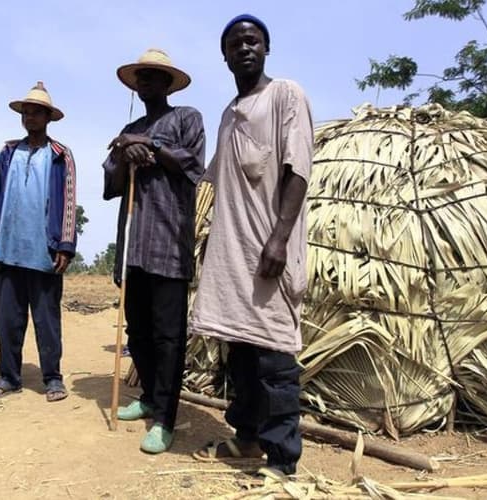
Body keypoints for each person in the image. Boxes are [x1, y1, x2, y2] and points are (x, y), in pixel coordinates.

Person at [189, 15, 314, 477]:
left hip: (268, 251)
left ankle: (283, 458)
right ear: (224, 56)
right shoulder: (228, 114)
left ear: (266, 47)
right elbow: (212, 177)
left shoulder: (285, 95)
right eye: (235, 43)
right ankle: (246, 439)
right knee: (240, 352)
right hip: (234, 255)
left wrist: (279, 238)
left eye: (252, 40)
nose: (244, 48)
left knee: (274, 356)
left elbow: (297, 168)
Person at [104, 49, 205, 453]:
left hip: (168, 244)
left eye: (153, 77)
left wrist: (149, 144)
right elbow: (112, 184)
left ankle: (165, 417)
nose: (146, 83)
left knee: (168, 336)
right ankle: (147, 397)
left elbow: (193, 163)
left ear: (168, 84)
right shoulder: (129, 128)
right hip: (133, 245)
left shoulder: (187, 118)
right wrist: (120, 153)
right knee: (138, 331)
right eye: (141, 77)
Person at [0, 82, 77, 402]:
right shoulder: (8, 152)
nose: (30, 117)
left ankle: (52, 377)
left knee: (47, 319)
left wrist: (64, 244)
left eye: (37, 112)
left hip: (43, 250)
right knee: (9, 319)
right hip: (10, 248)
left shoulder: (61, 154)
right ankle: (9, 376)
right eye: (26, 112)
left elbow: (68, 199)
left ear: (48, 117)